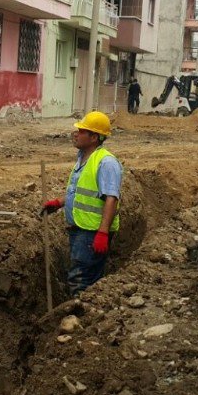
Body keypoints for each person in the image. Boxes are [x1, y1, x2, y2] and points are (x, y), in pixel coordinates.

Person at [42, 111, 123, 295]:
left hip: (91, 232)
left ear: (94, 137)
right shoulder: (83, 158)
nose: (76, 134)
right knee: (86, 277)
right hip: (80, 228)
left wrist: (102, 233)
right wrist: (59, 203)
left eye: (81, 131)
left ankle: (79, 316)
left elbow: (111, 198)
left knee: (80, 279)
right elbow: (81, 193)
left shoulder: (106, 162)